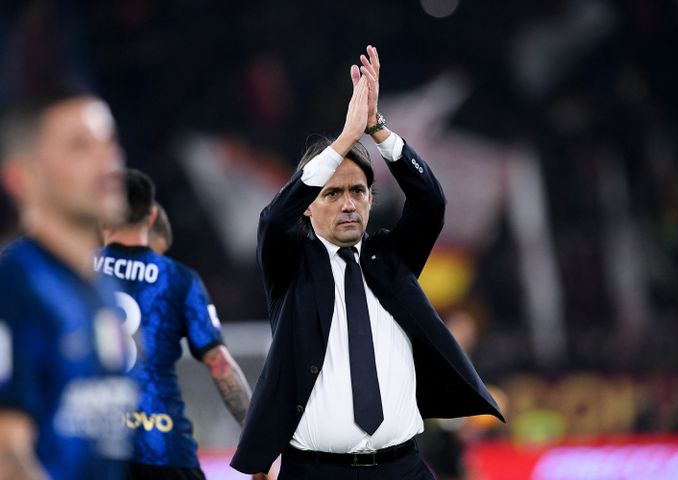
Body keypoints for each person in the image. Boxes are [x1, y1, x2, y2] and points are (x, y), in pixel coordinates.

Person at [231, 45, 503, 479]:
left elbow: (430, 202)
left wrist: (377, 130)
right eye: (332, 193)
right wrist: (344, 140)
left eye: (357, 191)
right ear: (308, 206)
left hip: (404, 467)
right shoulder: (291, 266)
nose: (347, 204)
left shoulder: (391, 259)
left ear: (372, 199)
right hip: (316, 472)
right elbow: (273, 218)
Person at [0, 89, 137, 480]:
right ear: (22, 177)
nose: (107, 160)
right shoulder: (15, 286)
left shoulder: (105, 291)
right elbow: (6, 455)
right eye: (80, 147)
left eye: (110, 142)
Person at [97, 169, 254, 480]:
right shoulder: (178, 279)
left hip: (96, 448)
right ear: (152, 215)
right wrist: (257, 449)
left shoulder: (76, 271)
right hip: (165, 450)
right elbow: (220, 365)